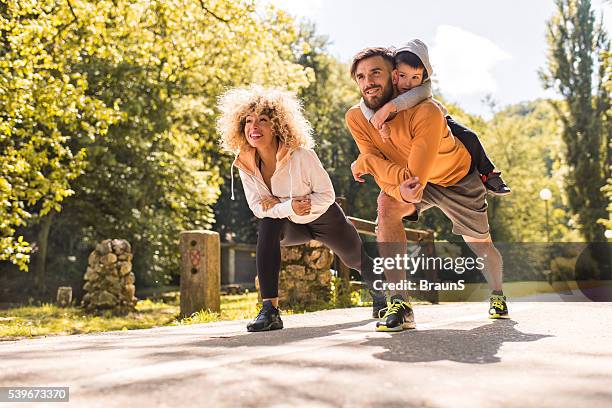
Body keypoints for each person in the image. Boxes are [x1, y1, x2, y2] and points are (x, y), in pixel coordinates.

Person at [345, 44, 509, 333]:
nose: (367, 82)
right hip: (413, 181)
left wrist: (369, 162)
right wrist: (373, 163)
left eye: (375, 73)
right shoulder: (357, 118)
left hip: (456, 178)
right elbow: (389, 175)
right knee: (386, 206)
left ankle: (497, 293)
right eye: (360, 76)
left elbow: (411, 181)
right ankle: (400, 304)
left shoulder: (426, 111)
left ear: (394, 77)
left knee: (481, 244)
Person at [216, 85, 385, 332]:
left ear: (277, 126)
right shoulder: (245, 162)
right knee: (268, 226)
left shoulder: (302, 155)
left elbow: (327, 195)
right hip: (290, 223)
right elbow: (257, 208)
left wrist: (281, 205)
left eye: (263, 120)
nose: (254, 127)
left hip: (325, 219)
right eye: (249, 121)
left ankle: (380, 292)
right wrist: (290, 206)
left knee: (355, 259)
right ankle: (270, 311)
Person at [359, 39, 510, 196]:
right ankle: (407, 206)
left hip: (437, 121)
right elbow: (363, 103)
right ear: (394, 73)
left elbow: (411, 96)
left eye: (415, 77)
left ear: (423, 77)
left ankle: (489, 174)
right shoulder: (386, 85)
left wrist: (388, 108)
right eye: (403, 75)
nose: (408, 83)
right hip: (406, 139)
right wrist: (375, 121)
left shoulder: (422, 89)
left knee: (470, 137)